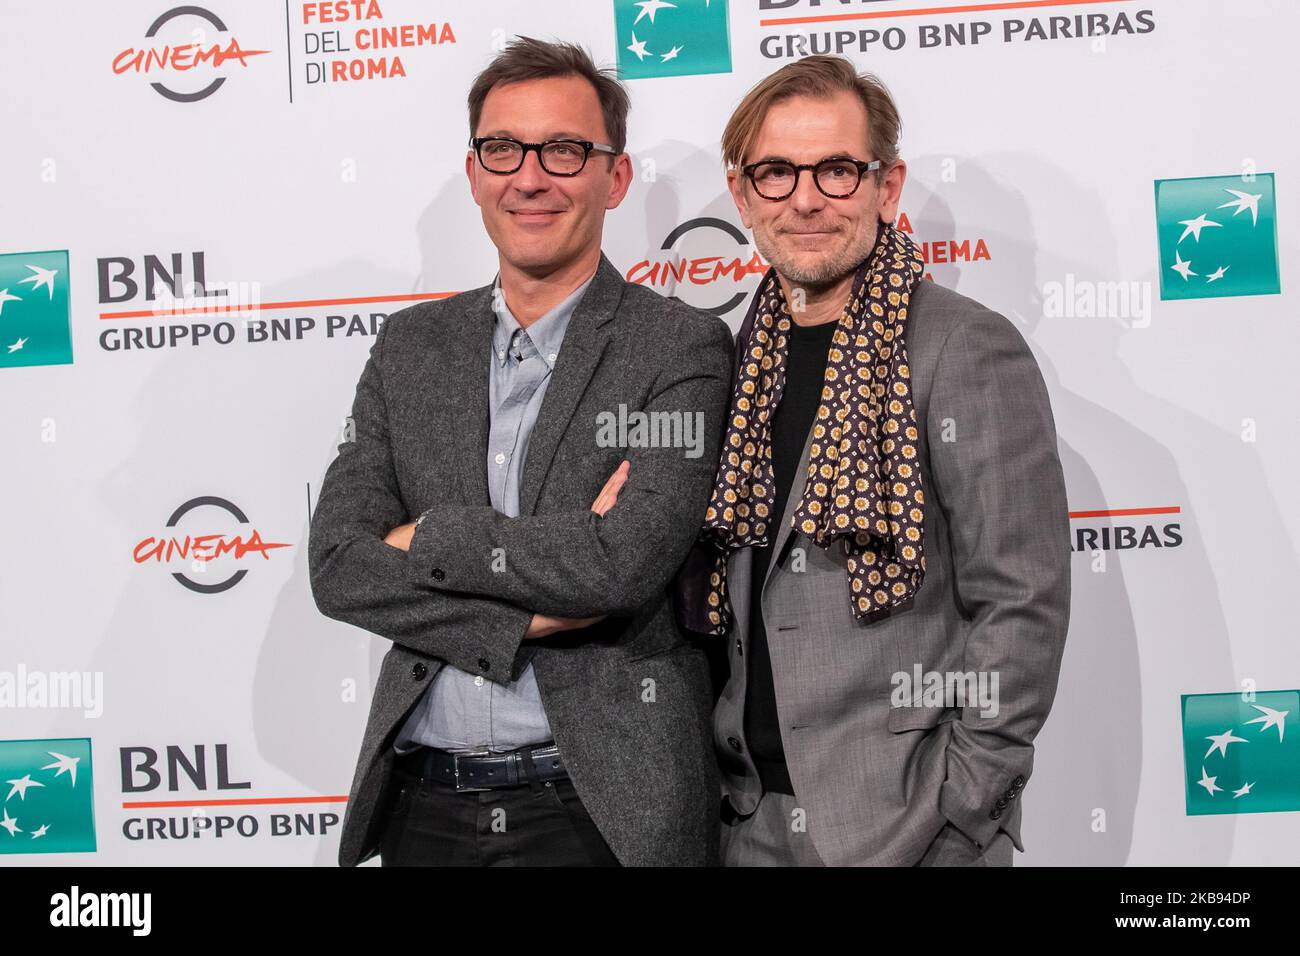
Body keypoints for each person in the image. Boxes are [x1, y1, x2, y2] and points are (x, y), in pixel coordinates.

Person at [309, 37, 732, 866]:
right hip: (422, 803)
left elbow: (619, 567)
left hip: (601, 814)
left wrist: (424, 537)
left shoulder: (677, 348)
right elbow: (337, 565)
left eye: (564, 150)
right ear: (474, 174)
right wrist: (531, 610)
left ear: (614, 177)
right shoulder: (410, 348)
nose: (529, 177)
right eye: (502, 149)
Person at [676, 55, 1071, 866]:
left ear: (886, 188)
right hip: (747, 825)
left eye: (837, 170)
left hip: (911, 829)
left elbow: (1021, 599)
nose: (807, 197)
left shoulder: (963, 345)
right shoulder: (734, 357)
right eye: (777, 172)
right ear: (744, 194)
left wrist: (964, 806)